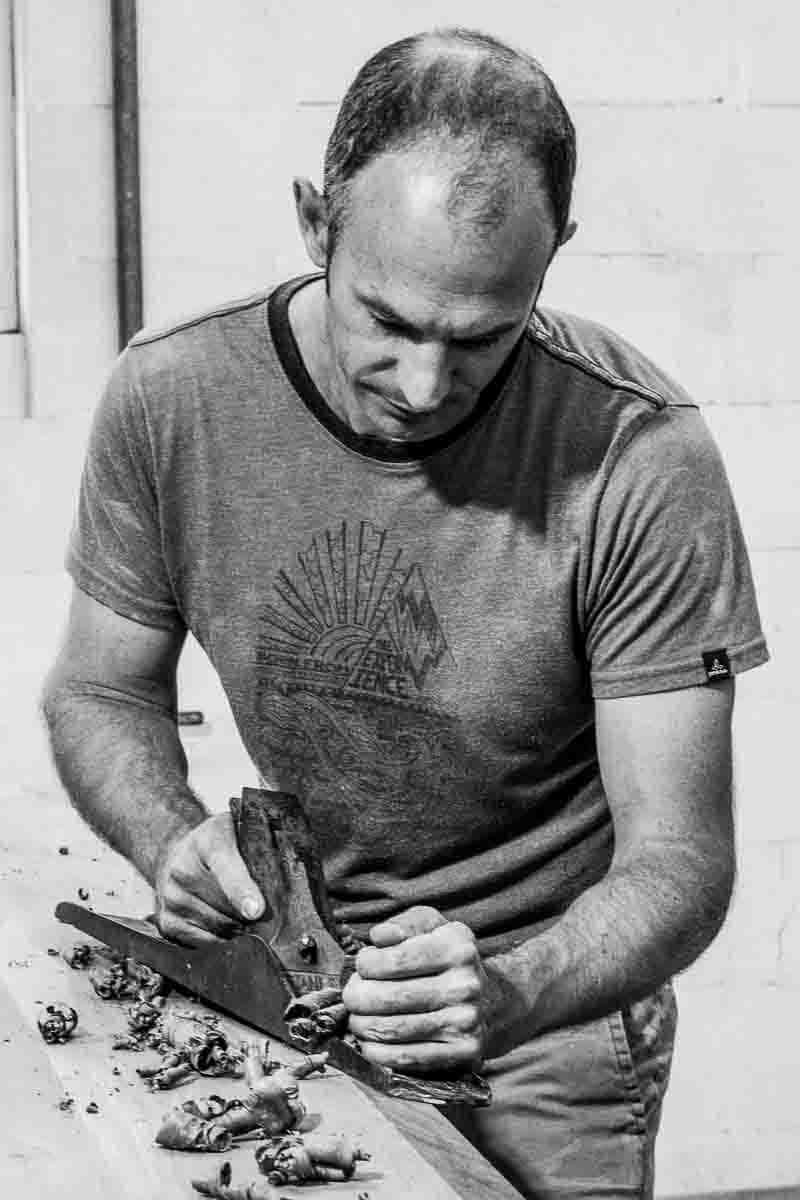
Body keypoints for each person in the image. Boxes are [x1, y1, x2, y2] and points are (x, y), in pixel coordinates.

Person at [42, 26, 768, 1200]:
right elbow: (98, 687)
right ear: (314, 223)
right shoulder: (172, 395)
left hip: (540, 1020)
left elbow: (680, 862)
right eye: (386, 321)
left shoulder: (635, 456)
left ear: (552, 256)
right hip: (292, 980)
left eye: (481, 337)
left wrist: (505, 992)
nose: (425, 387)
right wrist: (169, 840)